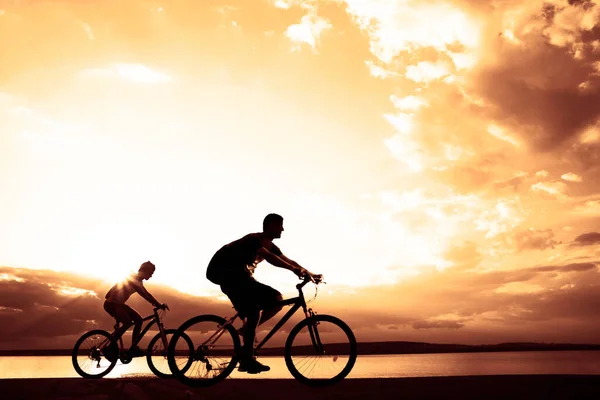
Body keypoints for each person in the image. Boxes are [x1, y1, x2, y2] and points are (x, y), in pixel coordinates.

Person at [206, 213, 321, 374]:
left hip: (240, 278)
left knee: (274, 300)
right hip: (228, 275)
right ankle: (247, 358)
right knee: (258, 309)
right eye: (280, 225)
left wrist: (309, 273)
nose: (282, 229)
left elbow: (289, 261)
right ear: (270, 226)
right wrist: (294, 270)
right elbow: (269, 257)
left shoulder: (271, 246)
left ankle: (246, 334)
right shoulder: (254, 239)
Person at [103, 261, 164, 356]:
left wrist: (157, 304)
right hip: (111, 305)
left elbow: (145, 293)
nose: (151, 276)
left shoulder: (138, 281)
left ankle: (133, 348)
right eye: (151, 273)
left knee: (139, 320)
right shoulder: (133, 279)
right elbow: (145, 294)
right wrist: (158, 304)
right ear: (145, 271)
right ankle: (109, 348)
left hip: (119, 304)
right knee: (127, 322)